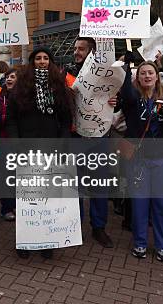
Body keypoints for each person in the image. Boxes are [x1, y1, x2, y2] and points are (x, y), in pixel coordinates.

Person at [6, 48, 74, 259]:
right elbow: (12, 118)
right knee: (27, 199)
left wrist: (62, 143)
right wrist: (16, 143)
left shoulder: (59, 87)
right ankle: (25, 240)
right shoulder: (21, 87)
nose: (42, 61)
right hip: (26, 148)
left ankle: (47, 240)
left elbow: (65, 119)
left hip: (51, 148)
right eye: (38, 58)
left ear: (51, 62)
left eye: (46, 58)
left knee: (49, 198)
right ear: (32, 62)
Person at [120, 60, 163, 262]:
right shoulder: (132, 99)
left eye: (150, 73)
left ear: (157, 76)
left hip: (162, 158)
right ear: (137, 78)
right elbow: (126, 91)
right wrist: (126, 66)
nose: (147, 76)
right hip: (138, 159)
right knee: (139, 203)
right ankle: (140, 243)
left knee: (161, 204)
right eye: (143, 73)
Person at [65, 36, 115, 248]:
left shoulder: (109, 74)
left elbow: (126, 96)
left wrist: (117, 99)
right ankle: (74, 225)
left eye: (81, 49)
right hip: (75, 136)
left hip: (99, 137)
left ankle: (98, 228)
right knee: (73, 185)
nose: (76, 52)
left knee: (98, 184)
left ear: (92, 52)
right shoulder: (65, 73)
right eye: (75, 48)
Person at [0, 68, 18, 221]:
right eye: (7, 76)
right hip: (2, 142)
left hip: (19, 143)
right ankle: (7, 208)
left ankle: (19, 204)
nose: (9, 79)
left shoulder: (24, 98)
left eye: (13, 77)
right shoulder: (0, 97)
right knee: (6, 176)